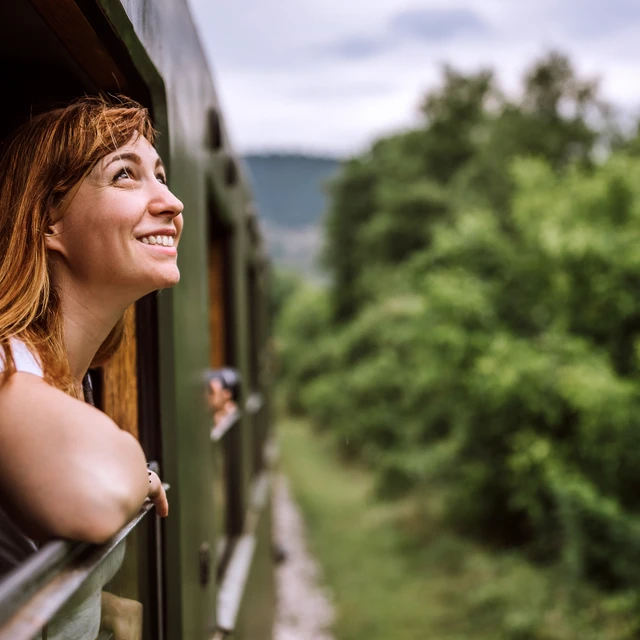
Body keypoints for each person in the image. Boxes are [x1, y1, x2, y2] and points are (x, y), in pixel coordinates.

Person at [0, 95, 181, 638]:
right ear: (49, 221)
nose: (170, 201)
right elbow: (95, 494)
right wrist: (138, 468)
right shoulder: (5, 363)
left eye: (162, 175)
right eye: (126, 176)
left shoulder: (72, 378)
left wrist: (106, 608)